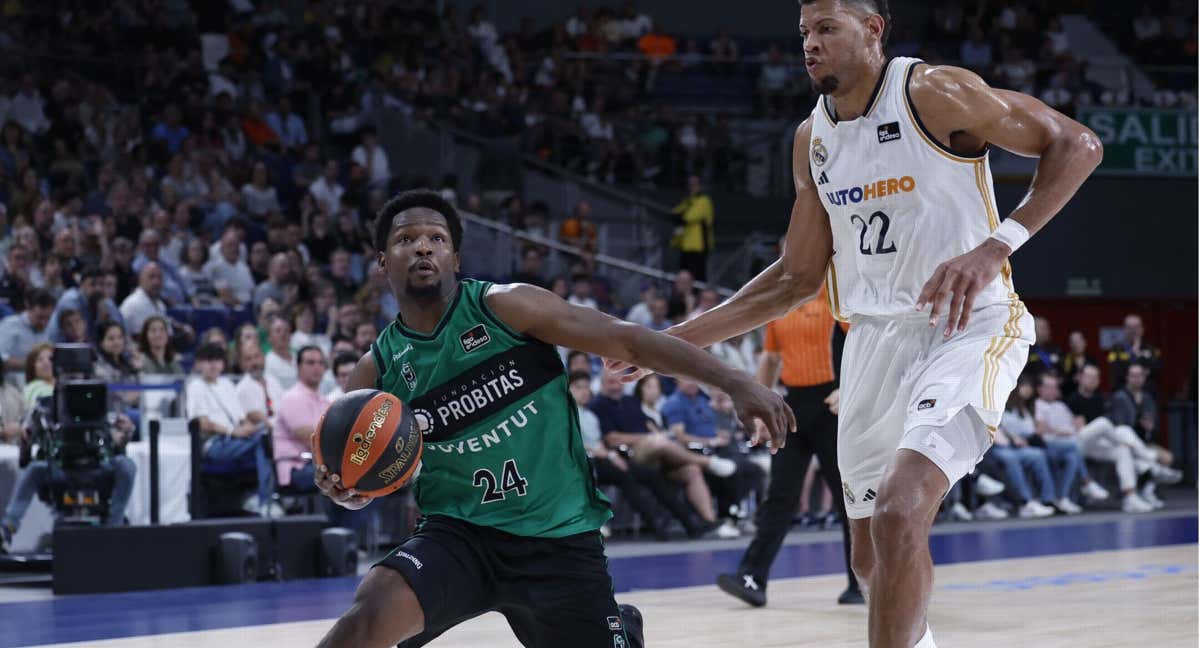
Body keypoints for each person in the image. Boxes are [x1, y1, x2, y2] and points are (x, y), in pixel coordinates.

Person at [608, 1, 1104, 645]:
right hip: (871, 340)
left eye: (826, 29)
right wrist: (668, 344)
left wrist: (995, 246)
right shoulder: (811, 139)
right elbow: (794, 279)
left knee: (901, 514)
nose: (810, 44)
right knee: (870, 560)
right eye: (805, 33)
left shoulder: (932, 90)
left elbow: (1078, 144)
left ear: (872, 31)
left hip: (967, 324)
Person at [313, 189, 791, 647]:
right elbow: (363, 472)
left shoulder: (506, 307)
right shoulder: (377, 370)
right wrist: (349, 490)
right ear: (382, 262)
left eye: (437, 239)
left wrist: (734, 381)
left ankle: (621, 631)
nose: (422, 246)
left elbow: (625, 338)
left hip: (558, 538)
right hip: (459, 536)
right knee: (368, 615)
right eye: (405, 239)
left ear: (455, 258)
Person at [717, 286, 863, 607]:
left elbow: (863, 344)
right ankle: (752, 577)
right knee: (779, 495)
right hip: (793, 405)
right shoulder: (780, 304)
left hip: (832, 405)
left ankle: (862, 582)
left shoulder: (835, 296)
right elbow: (770, 358)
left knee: (847, 498)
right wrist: (758, 405)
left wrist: (849, 388)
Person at [185, 342, 275, 516]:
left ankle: (263, 497)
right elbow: (203, 423)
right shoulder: (195, 386)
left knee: (266, 436)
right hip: (214, 444)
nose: (213, 365)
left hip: (236, 440)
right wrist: (232, 432)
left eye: (217, 360)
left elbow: (242, 419)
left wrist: (254, 428)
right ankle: (264, 501)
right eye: (208, 360)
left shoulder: (226, 384)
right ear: (199, 363)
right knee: (261, 442)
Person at [273, 346, 328, 490]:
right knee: (349, 476)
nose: (317, 367)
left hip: (318, 464)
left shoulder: (325, 400)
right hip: (296, 467)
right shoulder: (292, 398)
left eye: (321, 363)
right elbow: (311, 439)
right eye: (310, 362)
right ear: (298, 367)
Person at [670, 175, 715, 281]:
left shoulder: (704, 200)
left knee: (698, 276)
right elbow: (674, 213)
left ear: (700, 186)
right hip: (685, 246)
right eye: (689, 184)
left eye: (694, 184)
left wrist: (679, 216)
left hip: (698, 247)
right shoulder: (688, 200)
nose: (691, 186)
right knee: (684, 275)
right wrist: (679, 215)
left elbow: (689, 216)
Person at [0, 288, 54, 371]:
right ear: (28, 308)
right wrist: (33, 365)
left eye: (48, 318)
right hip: (13, 380)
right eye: (40, 317)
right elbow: (2, 359)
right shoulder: (10, 325)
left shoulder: (49, 327)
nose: (44, 323)